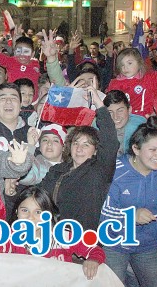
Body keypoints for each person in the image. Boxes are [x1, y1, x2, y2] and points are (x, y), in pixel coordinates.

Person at [100, 117, 157, 287]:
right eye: (153, 149)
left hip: (149, 246)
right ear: (136, 149)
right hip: (115, 244)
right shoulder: (114, 171)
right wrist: (132, 216)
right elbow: (102, 211)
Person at [38, 85, 119, 231]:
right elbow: (40, 197)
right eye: (76, 143)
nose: (79, 148)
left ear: (95, 150)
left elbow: (110, 141)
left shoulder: (99, 170)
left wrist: (99, 106)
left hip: (85, 242)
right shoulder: (57, 170)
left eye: (86, 144)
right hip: (54, 237)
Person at [3, 186, 105, 280]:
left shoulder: (63, 236)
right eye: (25, 210)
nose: (30, 217)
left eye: (38, 212)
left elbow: (95, 250)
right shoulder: (11, 236)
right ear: (16, 212)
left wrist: (93, 260)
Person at [107, 48, 157, 117]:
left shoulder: (150, 78)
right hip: (127, 119)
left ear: (139, 63)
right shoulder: (115, 84)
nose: (125, 68)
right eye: (122, 65)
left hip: (149, 118)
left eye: (129, 63)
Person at [103, 90, 147, 156]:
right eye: (110, 112)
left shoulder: (140, 128)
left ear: (129, 110)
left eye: (120, 111)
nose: (115, 117)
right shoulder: (98, 128)